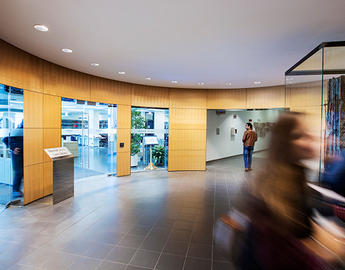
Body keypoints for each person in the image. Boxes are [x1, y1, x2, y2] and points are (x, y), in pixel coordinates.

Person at [236, 112, 345, 269]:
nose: (319, 140)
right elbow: (279, 251)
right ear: (286, 142)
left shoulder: (292, 176)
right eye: (304, 136)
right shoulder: (278, 188)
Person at [3, 121, 24, 198]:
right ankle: (15, 190)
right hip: (17, 154)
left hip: (26, 153)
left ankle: (17, 189)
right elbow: (5, 140)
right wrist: (13, 148)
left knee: (23, 171)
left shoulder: (28, 132)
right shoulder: (17, 131)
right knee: (19, 171)